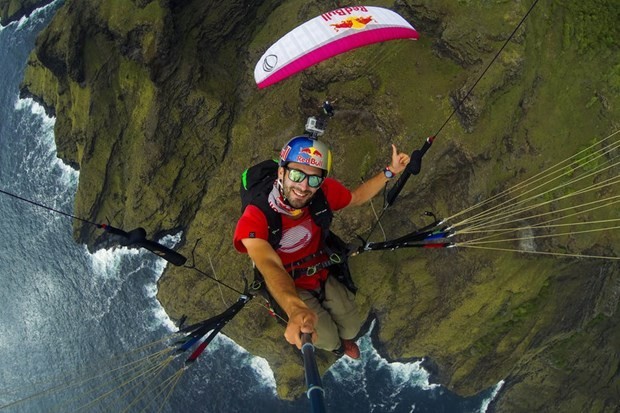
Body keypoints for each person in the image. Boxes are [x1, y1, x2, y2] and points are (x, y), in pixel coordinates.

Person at [233, 136, 410, 358]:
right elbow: (268, 264)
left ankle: (344, 341)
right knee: (325, 336)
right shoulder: (256, 216)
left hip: (320, 268)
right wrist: (294, 308)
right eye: (296, 175)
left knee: (352, 326)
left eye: (313, 180)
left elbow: (356, 197)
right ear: (281, 173)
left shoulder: (323, 193)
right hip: (291, 283)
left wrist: (390, 172)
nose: (303, 186)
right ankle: (337, 347)